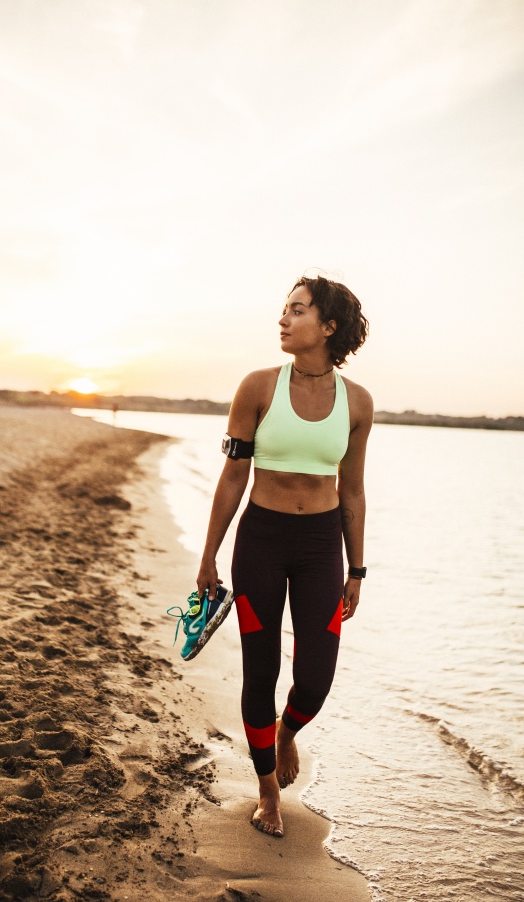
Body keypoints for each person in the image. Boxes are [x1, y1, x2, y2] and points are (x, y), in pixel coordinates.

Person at [196, 274, 373, 838]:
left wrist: (357, 568)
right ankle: (267, 791)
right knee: (260, 667)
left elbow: (353, 491)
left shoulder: (358, 404)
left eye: (297, 311)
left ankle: (286, 732)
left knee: (315, 678)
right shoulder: (258, 388)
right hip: (261, 542)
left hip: (322, 547)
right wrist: (208, 558)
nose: (283, 319)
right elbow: (231, 479)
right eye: (284, 309)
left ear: (328, 327)